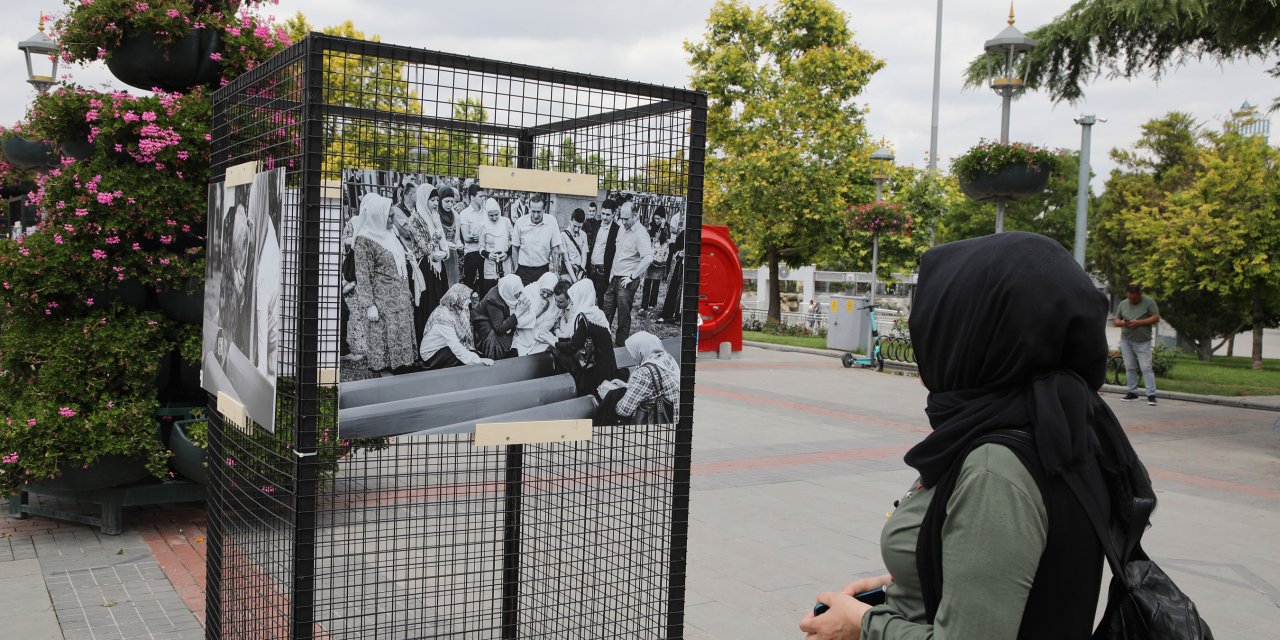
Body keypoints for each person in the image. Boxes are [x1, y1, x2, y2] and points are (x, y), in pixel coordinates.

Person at [799, 231, 1149, 640]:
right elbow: (1022, 570)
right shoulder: (1063, 426)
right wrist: (911, 578)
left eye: (938, 317)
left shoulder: (995, 467)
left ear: (973, 331)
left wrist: (861, 624)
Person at [352, 193, 417, 373]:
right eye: (389, 216)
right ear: (377, 215)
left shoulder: (389, 233)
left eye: (392, 215)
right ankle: (388, 366)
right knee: (387, 334)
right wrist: (369, 305)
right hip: (382, 300)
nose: (392, 219)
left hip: (400, 295)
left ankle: (404, 363)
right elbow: (363, 275)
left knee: (400, 331)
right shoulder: (365, 240)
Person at [549, 279, 618, 397]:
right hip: (608, 363)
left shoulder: (586, 318)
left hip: (597, 368)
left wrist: (552, 342)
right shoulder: (596, 313)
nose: (572, 302)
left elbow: (572, 347)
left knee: (559, 355)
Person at [595, 331, 678, 425]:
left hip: (652, 421)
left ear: (641, 350)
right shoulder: (665, 358)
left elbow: (623, 411)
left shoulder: (644, 373)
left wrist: (608, 395)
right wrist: (626, 385)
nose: (631, 355)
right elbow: (652, 388)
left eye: (632, 351)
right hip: (673, 414)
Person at [602, 201, 653, 347]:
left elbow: (648, 257)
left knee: (623, 318)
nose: (623, 222)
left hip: (627, 281)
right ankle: (602, 345)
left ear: (636, 215)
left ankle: (620, 349)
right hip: (615, 277)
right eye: (621, 218)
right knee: (605, 312)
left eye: (626, 219)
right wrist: (612, 273)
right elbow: (618, 253)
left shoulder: (641, 233)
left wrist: (632, 276)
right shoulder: (622, 228)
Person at [404, 186, 450, 340]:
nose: (436, 203)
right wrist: (437, 230)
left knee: (440, 302)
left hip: (438, 267)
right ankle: (427, 340)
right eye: (432, 200)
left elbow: (444, 245)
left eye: (437, 200)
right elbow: (426, 248)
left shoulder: (434, 216)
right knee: (428, 305)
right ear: (424, 200)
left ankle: (441, 338)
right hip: (425, 269)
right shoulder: (415, 219)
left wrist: (444, 253)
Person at [418, 283, 495, 369]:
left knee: (474, 355)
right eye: (466, 298)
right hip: (432, 354)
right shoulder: (443, 316)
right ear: (458, 298)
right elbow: (454, 345)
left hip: (445, 346)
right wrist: (478, 360)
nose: (470, 301)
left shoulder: (458, 310)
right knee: (468, 360)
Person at [1115, 283, 1161, 406]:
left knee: (1146, 367)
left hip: (1142, 341)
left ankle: (1151, 395)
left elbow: (1156, 318)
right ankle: (1132, 392)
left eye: (1134, 298)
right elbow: (1116, 320)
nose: (1132, 300)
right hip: (1126, 340)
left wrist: (1139, 323)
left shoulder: (1149, 302)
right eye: (1130, 297)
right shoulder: (1123, 303)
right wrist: (1124, 323)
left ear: (1140, 294)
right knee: (1129, 366)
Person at [472, 273, 528, 360]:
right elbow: (499, 328)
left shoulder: (506, 290)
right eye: (517, 293)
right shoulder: (493, 300)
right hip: (484, 322)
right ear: (509, 291)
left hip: (496, 319)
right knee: (493, 340)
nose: (521, 295)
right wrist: (518, 313)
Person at [511, 194, 562, 285]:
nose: (535, 215)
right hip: (523, 270)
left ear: (544, 210)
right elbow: (515, 247)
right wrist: (516, 268)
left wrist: (556, 271)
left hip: (543, 270)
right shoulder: (520, 222)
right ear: (529, 209)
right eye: (533, 211)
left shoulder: (552, 221)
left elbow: (555, 249)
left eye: (539, 212)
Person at [513, 272, 562, 356]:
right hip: (524, 339)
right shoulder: (527, 293)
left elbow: (557, 317)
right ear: (540, 285)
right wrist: (541, 311)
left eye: (550, 293)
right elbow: (518, 322)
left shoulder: (554, 299)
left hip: (542, 341)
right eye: (543, 291)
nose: (546, 295)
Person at [478, 197, 515, 299]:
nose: (494, 218)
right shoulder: (483, 225)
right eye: (491, 215)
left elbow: (514, 241)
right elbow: (480, 247)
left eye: (496, 215)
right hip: (490, 265)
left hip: (505, 262)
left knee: (506, 291)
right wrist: (488, 255)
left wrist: (507, 253)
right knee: (491, 293)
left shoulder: (506, 222)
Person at [588, 199, 619, 307]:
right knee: (588, 300)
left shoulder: (617, 230)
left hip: (603, 272)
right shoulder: (595, 225)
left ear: (614, 214)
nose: (604, 217)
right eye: (603, 213)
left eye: (608, 214)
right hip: (591, 270)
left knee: (601, 303)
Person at [458, 183, 487, 290]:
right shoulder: (465, 214)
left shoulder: (485, 213)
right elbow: (466, 237)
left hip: (484, 252)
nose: (483, 199)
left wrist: (478, 237)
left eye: (483, 196)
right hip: (471, 253)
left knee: (484, 283)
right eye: (480, 196)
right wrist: (481, 237)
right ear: (472, 197)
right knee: (469, 284)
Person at [641, 207, 671, 311]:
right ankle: (643, 305)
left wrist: (662, 227)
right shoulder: (651, 226)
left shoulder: (666, 227)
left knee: (656, 283)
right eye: (655, 218)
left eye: (659, 219)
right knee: (647, 281)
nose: (656, 220)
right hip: (650, 257)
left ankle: (652, 304)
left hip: (659, 260)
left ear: (663, 218)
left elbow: (663, 240)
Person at [656, 225, 685, 324]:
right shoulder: (684, 233)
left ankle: (680, 317)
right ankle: (667, 314)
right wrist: (679, 253)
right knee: (674, 288)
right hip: (681, 265)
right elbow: (675, 247)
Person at [560, 208, 589, 282]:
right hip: (567, 272)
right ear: (570, 219)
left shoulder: (583, 235)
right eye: (574, 226)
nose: (576, 229)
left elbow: (584, 256)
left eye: (579, 227)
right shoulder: (563, 235)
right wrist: (574, 279)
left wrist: (580, 273)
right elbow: (566, 260)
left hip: (580, 271)